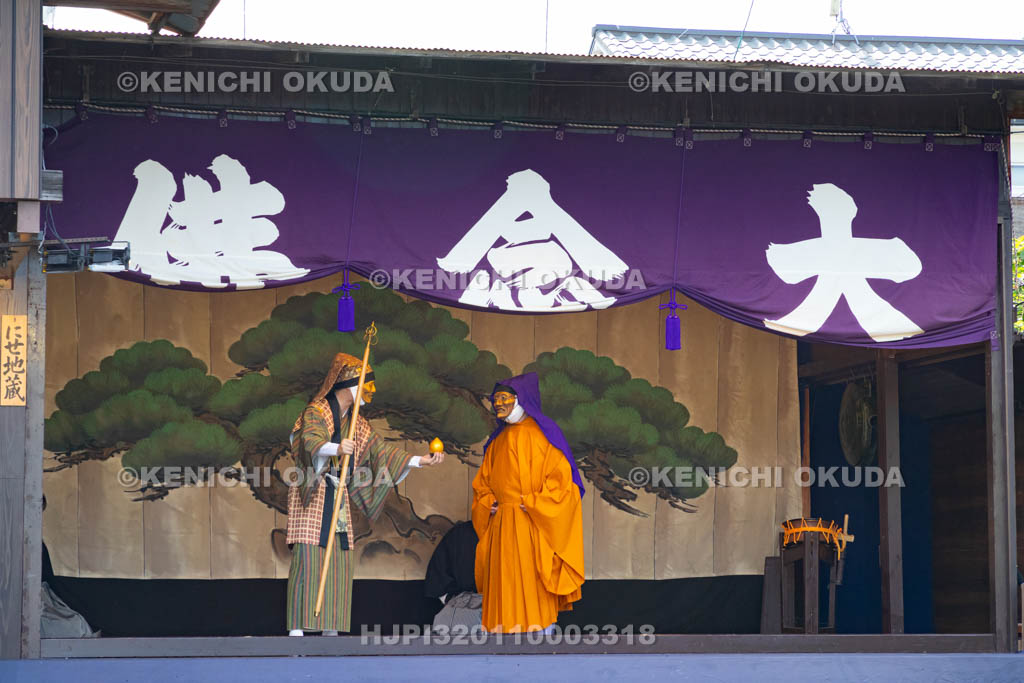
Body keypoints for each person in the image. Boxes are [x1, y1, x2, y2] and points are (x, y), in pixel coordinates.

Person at [285, 351, 444, 636]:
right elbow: (307, 441)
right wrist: (335, 448)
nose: (370, 390)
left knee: (339, 555)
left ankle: (330, 624)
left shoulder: (356, 422)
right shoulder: (316, 411)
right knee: (308, 555)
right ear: (347, 384)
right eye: (365, 383)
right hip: (314, 491)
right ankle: (298, 625)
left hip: (338, 491)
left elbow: (380, 451)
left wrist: (419, 460)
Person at [471, 372, 585, 633]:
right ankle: (501, 635)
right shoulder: (496, 442)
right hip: (502, 526)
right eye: (495, 399)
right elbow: (482, 485)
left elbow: (563, 486)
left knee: (533, 580)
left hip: (533, 523)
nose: (497, 404)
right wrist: (489, 504)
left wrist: (535, 504)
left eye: (503, 398)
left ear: (522, 400)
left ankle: (540, 634)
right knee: (504, 581)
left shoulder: (546, 436)